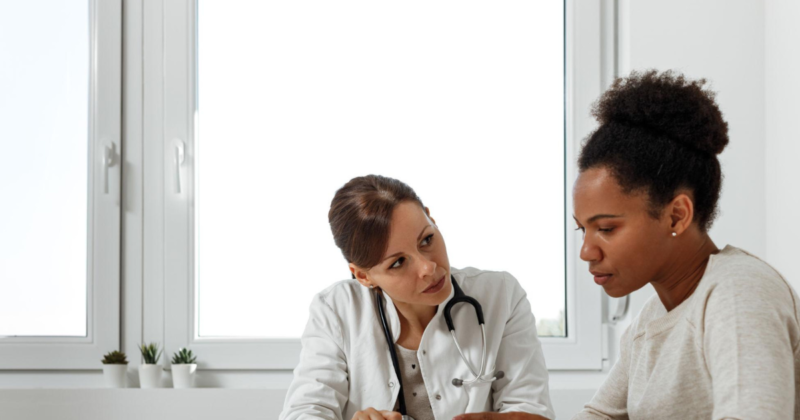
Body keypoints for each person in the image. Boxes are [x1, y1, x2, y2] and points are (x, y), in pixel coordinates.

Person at [568, 70, 800, 419]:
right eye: (581, 230)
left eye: (606, 228)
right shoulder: (651, 318)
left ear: (677, 215)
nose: (587, 251)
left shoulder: (738, 293)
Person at [279, 175, 554, 420]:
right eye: (398, 262)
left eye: (426, 240)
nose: (429, 268)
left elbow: (531, 411)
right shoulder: (336, 310)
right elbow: (305, 410)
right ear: (363, 276)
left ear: (432, 220)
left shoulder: (500, 296)